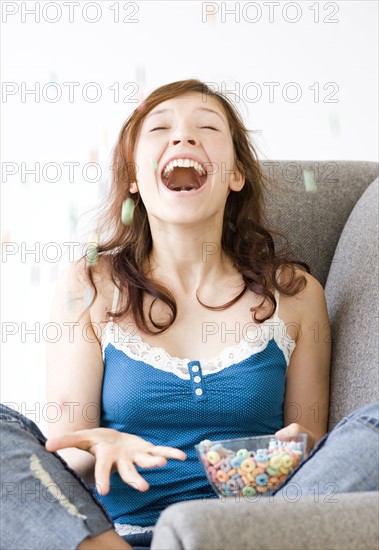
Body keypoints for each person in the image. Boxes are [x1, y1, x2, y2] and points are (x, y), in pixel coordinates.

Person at [2, 79, 376, 550]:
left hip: (251, 533)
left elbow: (312, 456)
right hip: (122, 535)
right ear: (135, 177)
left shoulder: (296, 294)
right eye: (160, 128)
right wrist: (102, 443)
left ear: (236, 173)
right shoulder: (91, 283)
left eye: (206, 126)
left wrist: (301, 445)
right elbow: (67, 449)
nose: (182, 137)